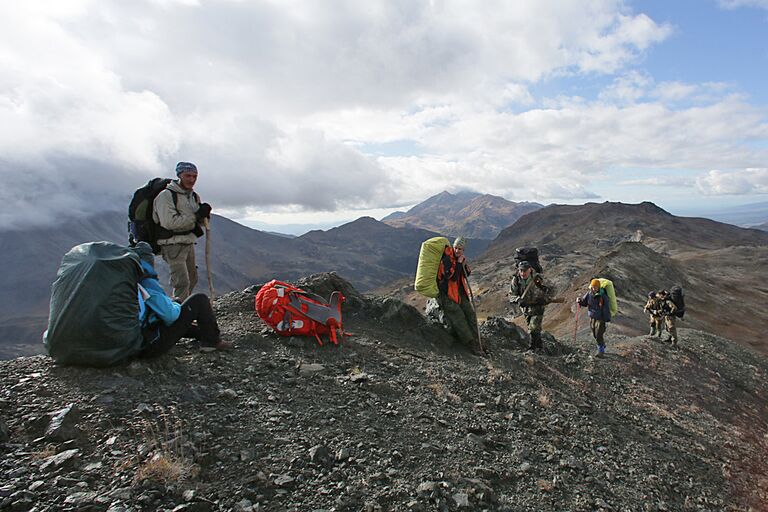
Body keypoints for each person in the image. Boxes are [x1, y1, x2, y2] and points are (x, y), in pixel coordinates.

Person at [134, 242, 232, 356]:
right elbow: (170, 316)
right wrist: (176, 303)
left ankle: (204, 333)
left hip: (127, 344)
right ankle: (212, 342)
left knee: (185, 325)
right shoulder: (147, 283)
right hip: (148, 345)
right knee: (199, 299)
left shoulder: (128, 283)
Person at [153, 161, 212, 301]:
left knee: (192, 278)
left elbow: (196, 223)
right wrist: (196, 216)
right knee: (181, 282)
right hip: (172, 244)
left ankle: (183, 309)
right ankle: (178, 317)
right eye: (188, 176)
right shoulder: (166, 196)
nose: (192, 180)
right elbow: (169, 222)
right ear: (179, 175)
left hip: (188, 242)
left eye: (194, 176)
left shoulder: (192, 196)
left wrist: (203, 215)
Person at [437, 237, 484, 356]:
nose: (458, 250)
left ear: (464, 250)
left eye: (461, 249)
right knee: (459, 317)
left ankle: (477, 339)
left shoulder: (460, 258)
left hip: (458, 291)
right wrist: (458, 263)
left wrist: (462, 263)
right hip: (447, 293)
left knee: (470, 313)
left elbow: (466, 273)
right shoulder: (446, 259)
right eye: (456, 248)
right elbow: (451, 277)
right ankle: (470, 343)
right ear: (453, 247)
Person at [509, 260, 553, 352]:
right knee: (533, 327)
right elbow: (512, 294)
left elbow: (551, 289)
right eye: (521, 270)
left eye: (525, 270)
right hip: (525, 308)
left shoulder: (538, 278)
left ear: (530, 270)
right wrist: (518, 299)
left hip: (538, 307)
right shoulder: (516, 280)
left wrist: (545, 297)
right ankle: (540, 347)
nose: (522, 273)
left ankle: (532, 348)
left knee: (533, 327)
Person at [577, 279, 611, 357]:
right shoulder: (589, 294)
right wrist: (579, 301)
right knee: (594, 334)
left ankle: (601, 351)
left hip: (601, 318)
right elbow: (585, 303)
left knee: (598, 334)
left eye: (595, 287)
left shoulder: (603, 296)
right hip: (592, 317)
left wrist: (607, 318)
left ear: (598, 287)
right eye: (592, 287)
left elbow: (606, 308)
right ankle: (602, 345)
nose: (593, 288)